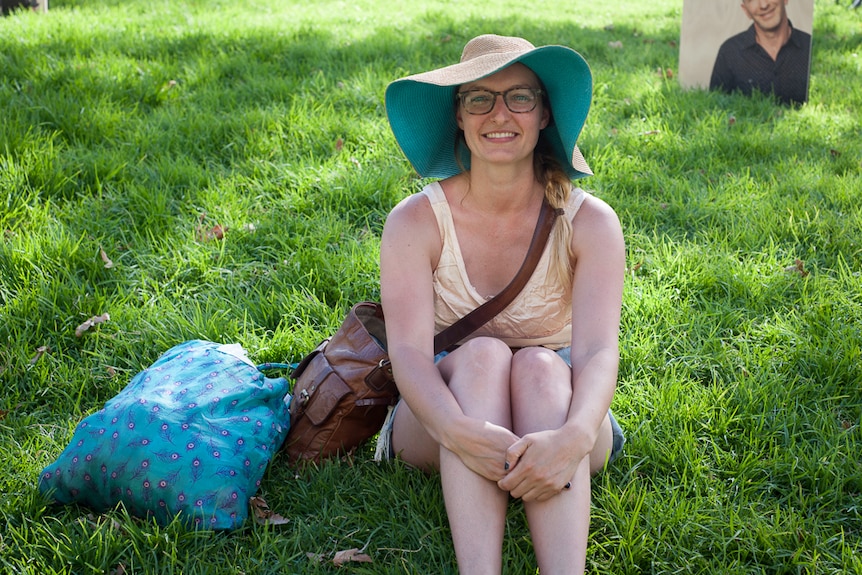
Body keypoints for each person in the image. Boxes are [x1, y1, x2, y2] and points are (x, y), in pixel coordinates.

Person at [377, 34, 626, 575]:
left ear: (543, 115)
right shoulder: (415, 222)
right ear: (459, 118)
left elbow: (597, 352)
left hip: (560, 409)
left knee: (540, 363)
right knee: (483, 355)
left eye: (519, 97)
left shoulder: (591, 223)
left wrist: (575, 437)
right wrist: (454, 429)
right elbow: (411, 357)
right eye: (479, 99)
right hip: (442, 409)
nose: (499, 113)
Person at [709, 0, 812, 105]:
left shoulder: (811, 48)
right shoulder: (730, 53)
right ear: (746, 11)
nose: (763, 5)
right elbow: (715, 110)